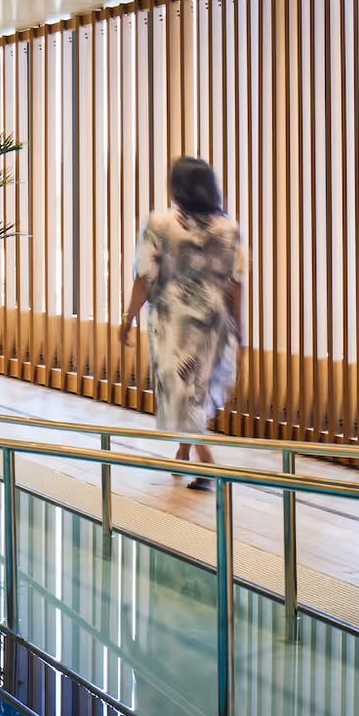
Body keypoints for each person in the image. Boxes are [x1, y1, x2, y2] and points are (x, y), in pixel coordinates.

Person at [117, 157, 244, 491]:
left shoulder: (159, 224)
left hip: (175, 324)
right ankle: (182, 453)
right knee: (196, 393)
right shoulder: (228, 228)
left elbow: (145, 277)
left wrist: (127, 319)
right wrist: (239, 331)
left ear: (177, 187)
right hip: (215, 323)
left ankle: (210, 469)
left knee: (181, 394)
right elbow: (235, 284)